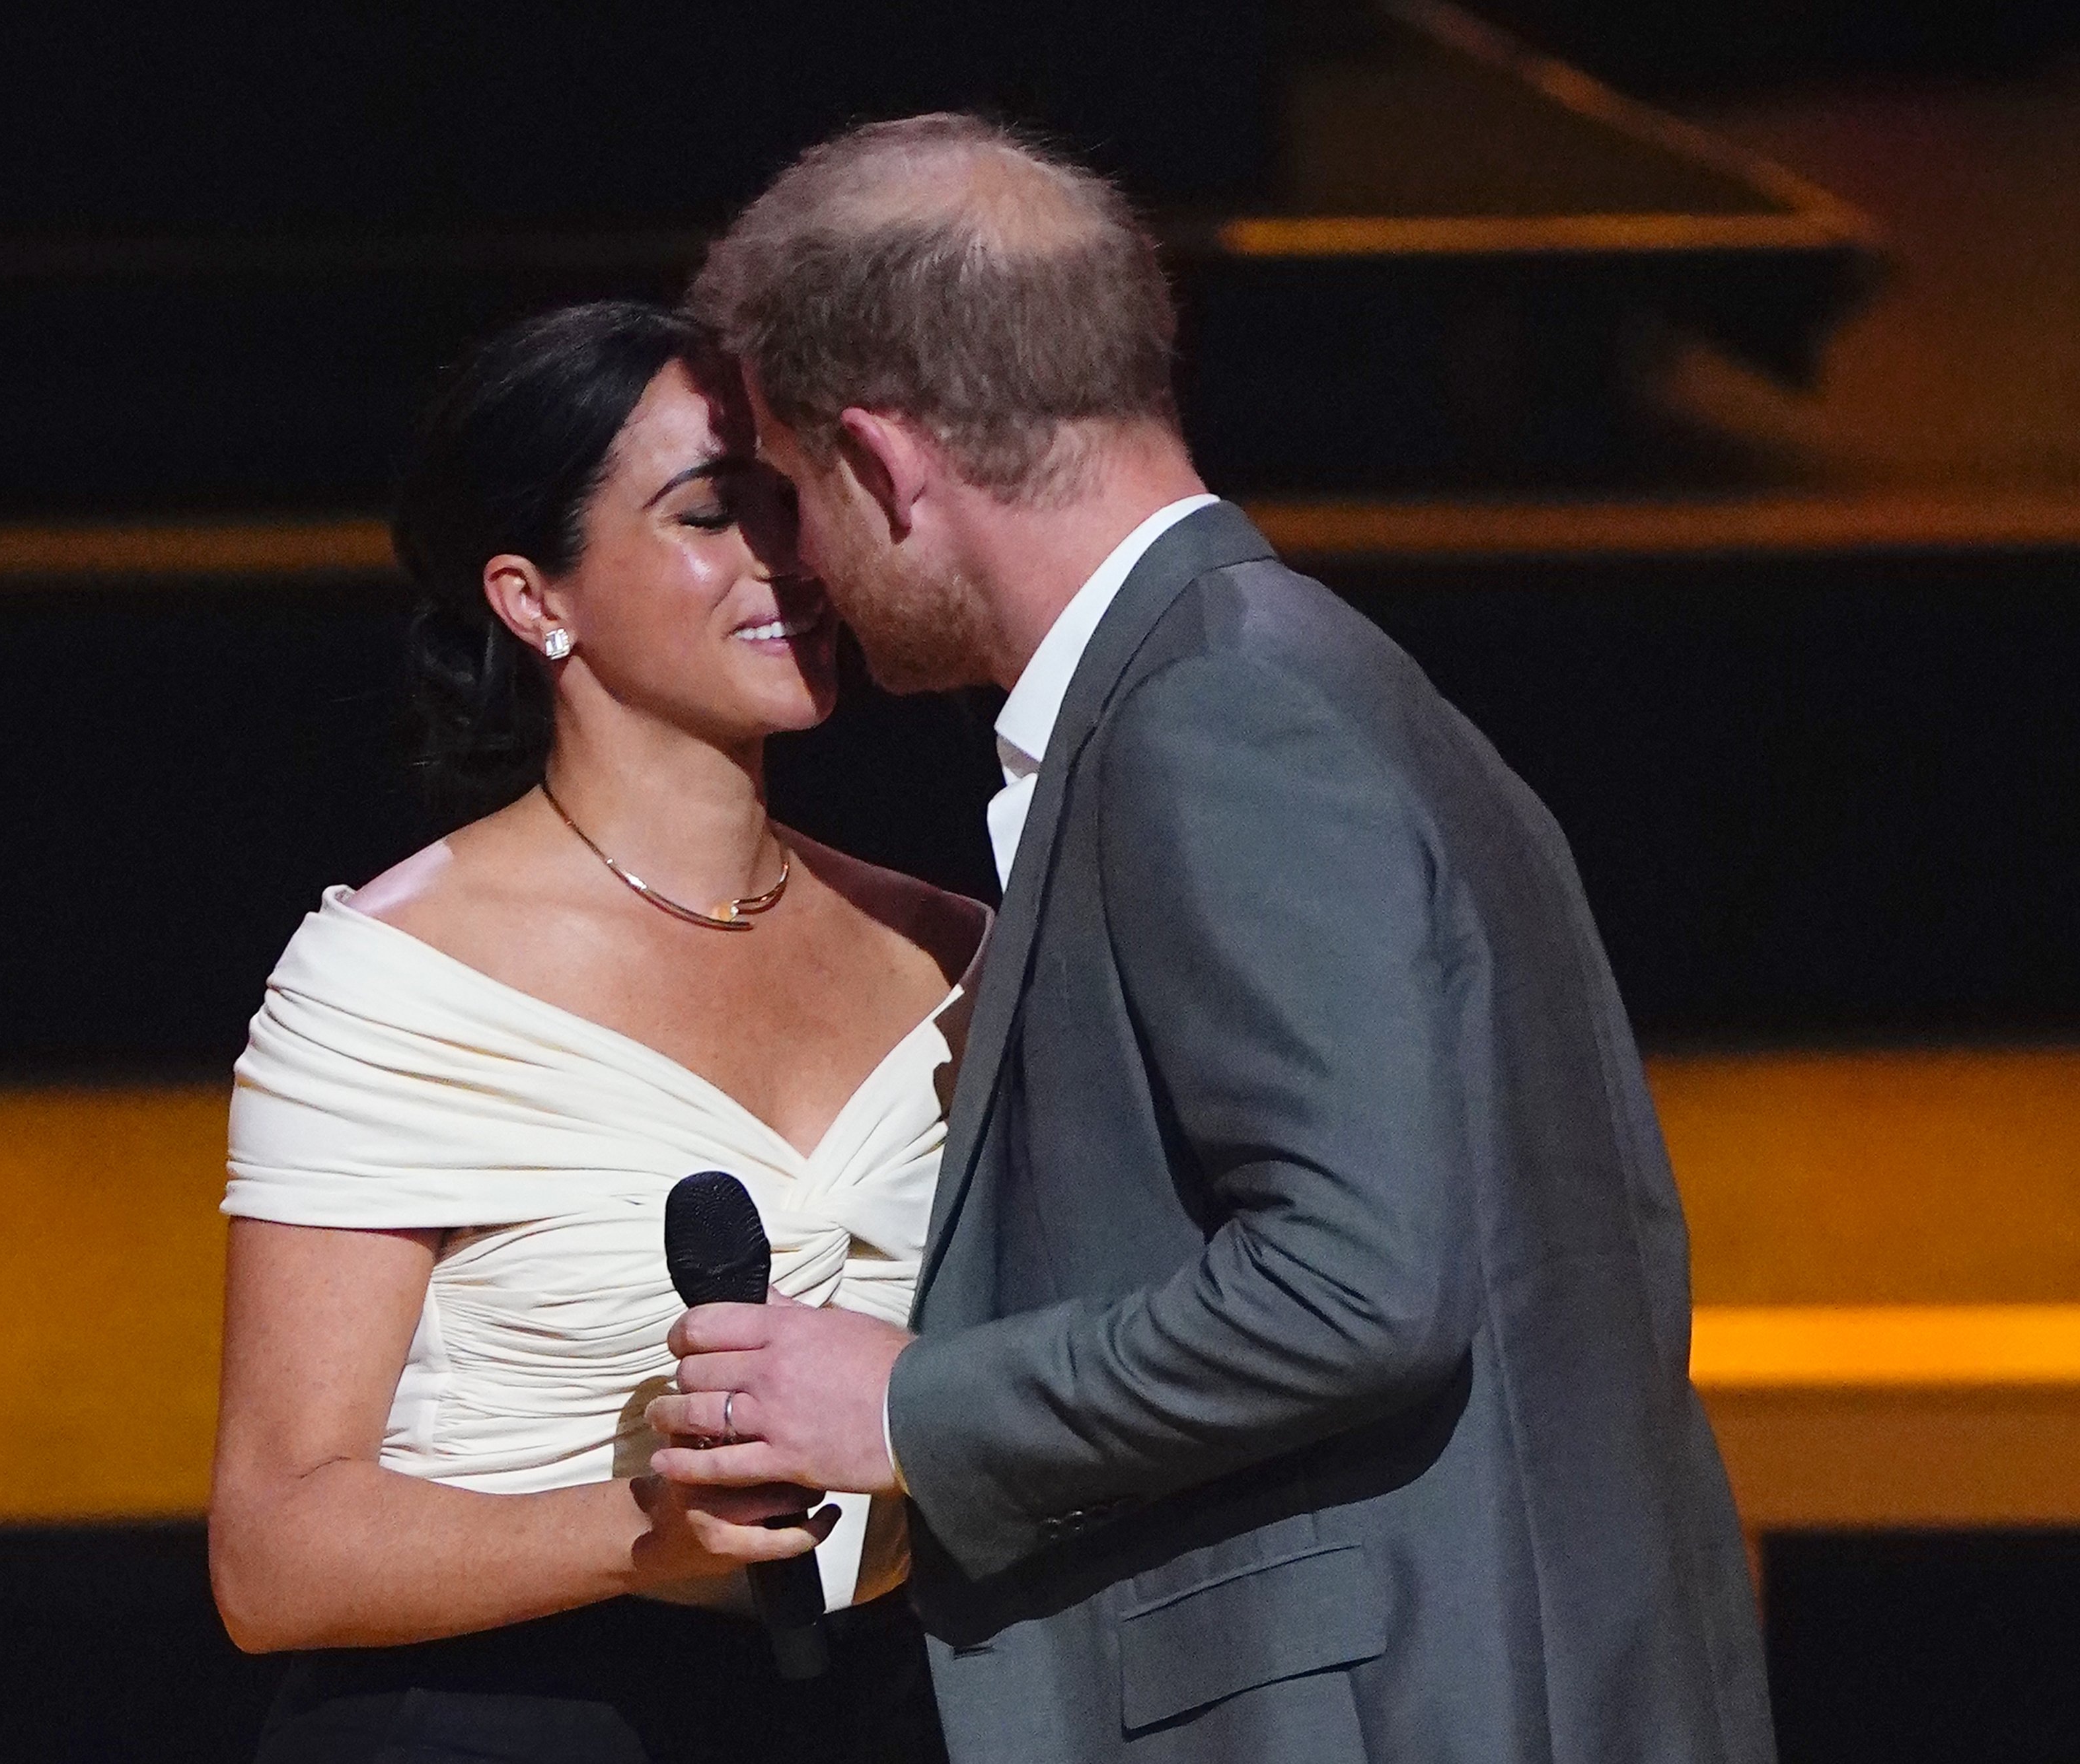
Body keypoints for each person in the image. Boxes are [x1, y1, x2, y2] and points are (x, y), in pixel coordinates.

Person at [651, 115, 1777, 1763]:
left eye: (787, 492)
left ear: (887, 467)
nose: (791, 560)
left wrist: (899, 1405)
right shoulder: (1304, 674)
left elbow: (1357, 1284)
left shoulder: (1214, 724)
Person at [209, 300, 984, 1764]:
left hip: (875, 1714)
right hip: (497, 1718)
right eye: (708, 511)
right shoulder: (395, 978)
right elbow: (270, 1553)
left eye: (787, 501)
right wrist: (640, 1536)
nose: (781, 555)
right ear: (530, 597)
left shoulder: (951, 948)